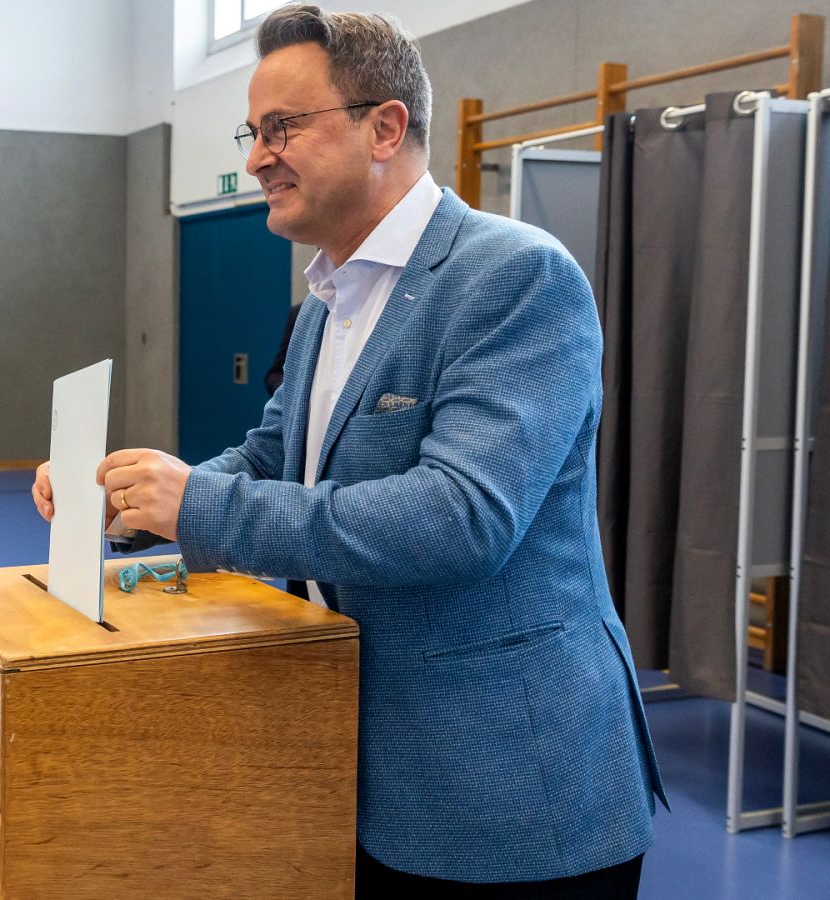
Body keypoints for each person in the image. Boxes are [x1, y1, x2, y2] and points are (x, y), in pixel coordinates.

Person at [33, 5, 664, 895]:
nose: (258, 156)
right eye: (254, 132)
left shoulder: (516, 277)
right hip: (355, 769)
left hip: (510, 796)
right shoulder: (326, 303)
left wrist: (199, 504)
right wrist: (135, 499)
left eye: (282, 126)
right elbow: (270, 457)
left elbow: (461, 518)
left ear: (385, 128)